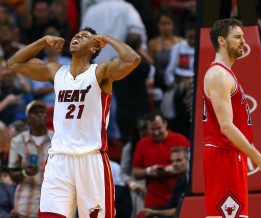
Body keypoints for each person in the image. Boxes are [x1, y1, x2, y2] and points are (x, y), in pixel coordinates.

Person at [7, 27, 141, 218]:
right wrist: (43, 41)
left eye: (84, 36)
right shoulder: (56, 71)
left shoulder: (100, 72)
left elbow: (132, 59)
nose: (77, 36)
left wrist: (106, 38)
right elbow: (14, 62)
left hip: (91, 158)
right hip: (59, 160)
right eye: (76, 34)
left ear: (94, 47)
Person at [202, 18, 261, 217]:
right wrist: (259, 160)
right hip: (222, 154)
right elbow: (226, 127)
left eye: (244, 37)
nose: (243, 42)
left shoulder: (227, 74)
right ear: (222, 41)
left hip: (231, 154)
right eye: (237, 37)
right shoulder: (218, 75)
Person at [132, 111, 189, 208]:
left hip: (179, 197)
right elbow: (135, 172)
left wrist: (175, 168)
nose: (156, 132)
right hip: (153, 200)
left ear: (165, 123)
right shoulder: (142, 144)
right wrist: (149, 171)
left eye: (159, 128)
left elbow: (193, 165)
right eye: (152, 129)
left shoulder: (180, 140)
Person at [8, 100, 53, 218]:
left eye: (42, 112)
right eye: (35, 112)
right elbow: (12, 172)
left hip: (52, 200)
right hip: (26, 200)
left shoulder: (57, 139)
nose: (40, 115)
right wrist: (24, 172)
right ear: (28, 118)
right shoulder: (17, 141)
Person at [139, 146, 189, 218]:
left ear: (189, 161)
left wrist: (154, 213)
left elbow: (181, 210)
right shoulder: (179, 181)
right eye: (172, 161)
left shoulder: (192, 184)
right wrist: (151, 210)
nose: (174, 164)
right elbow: (170, 206)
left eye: (179, 160)